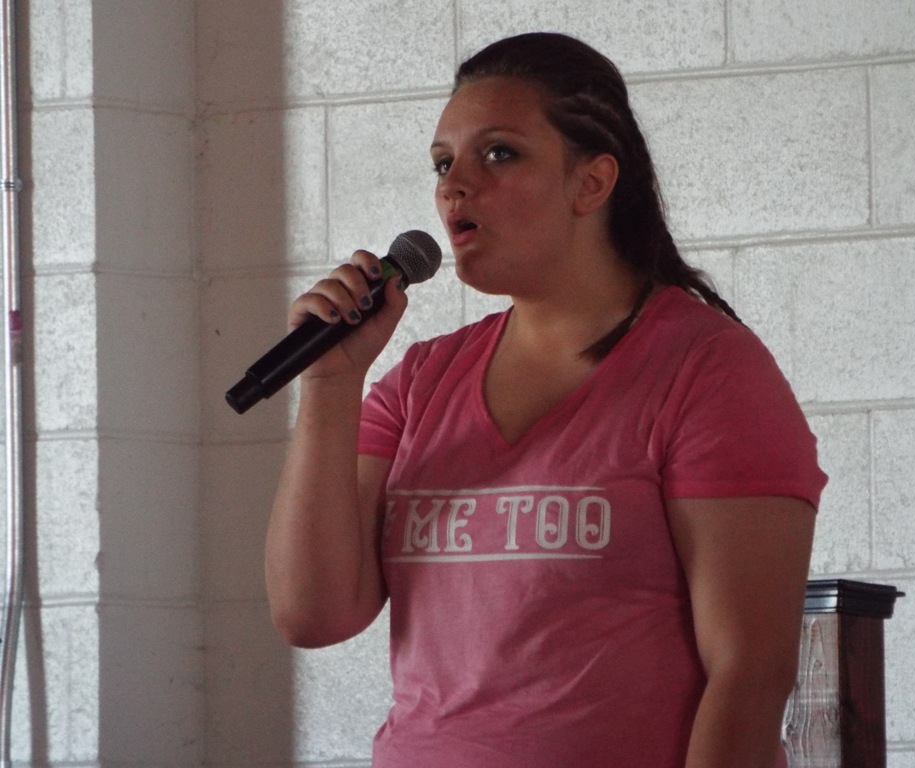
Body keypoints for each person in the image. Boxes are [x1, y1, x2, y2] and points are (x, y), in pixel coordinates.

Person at [266, 32, 827, 768]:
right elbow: (312, 615)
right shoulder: (419, 381)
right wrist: (330, 384)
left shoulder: (708, 371)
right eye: (443, 163)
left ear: (591, 183)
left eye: (499, 153)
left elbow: (749, 674)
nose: (454, 187)